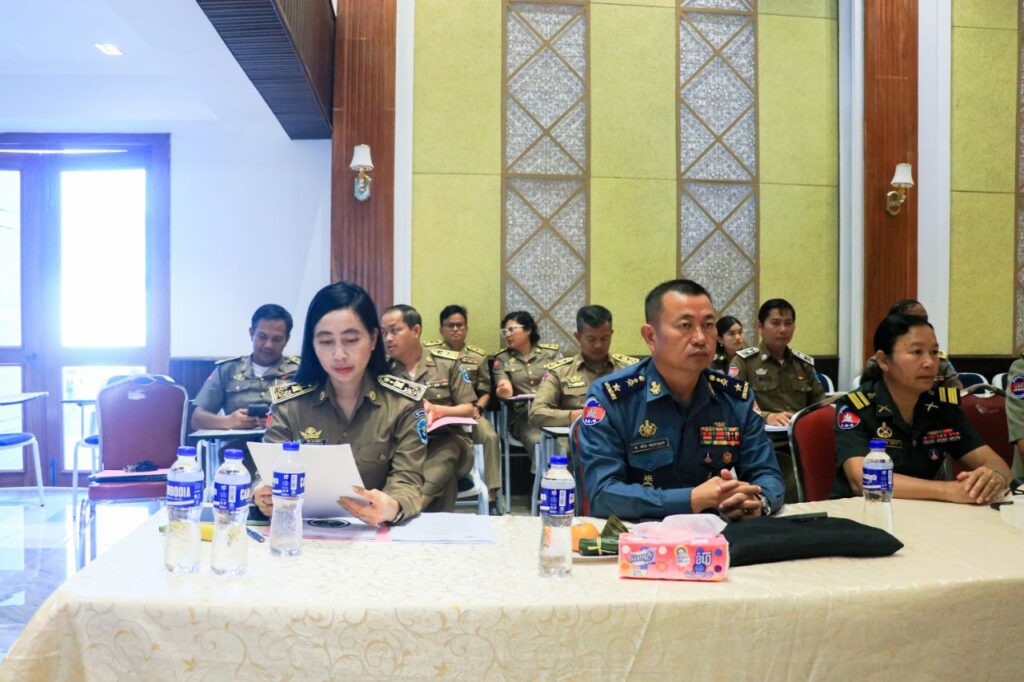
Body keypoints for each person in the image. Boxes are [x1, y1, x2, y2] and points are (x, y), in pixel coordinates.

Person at [579, 279, 785, 520]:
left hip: (719, 531)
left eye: (708, 325)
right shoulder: (612, 398)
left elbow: (767, 474)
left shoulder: (735, 397)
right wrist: (691, 500)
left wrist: (757, 501)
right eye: (685, 326)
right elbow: (603, 494)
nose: (700, 338)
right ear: (650, 336)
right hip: (640, 534)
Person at [253, 282, 426, 525]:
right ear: (312, 345)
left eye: (351, 340)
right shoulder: (290, 404)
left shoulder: (404, 402)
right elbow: (267, 471)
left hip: (376, 531)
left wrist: (393, 505)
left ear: (373, 339)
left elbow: (408, 480)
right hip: (302, 531)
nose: (339, 354)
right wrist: (262, 493)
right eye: (326, 342)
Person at [832, 313, 1010, 503]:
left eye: (934, 352)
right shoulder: (855, 407)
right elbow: (862, 480)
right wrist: (947, 490)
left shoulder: (942, 406)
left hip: (925, 513)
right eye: (917, 352)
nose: (930, 363)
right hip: (865, 512)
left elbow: (995, 462)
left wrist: (992, 479)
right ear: (884, 360)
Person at [381, 304, 475, 513]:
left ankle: (406, 510)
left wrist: (441, 411)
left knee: (448, 449)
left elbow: (470, 409)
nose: (388, 338)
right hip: (403, 448)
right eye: (384, 332)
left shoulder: (447, 363)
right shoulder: (383, 371)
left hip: (447, 442)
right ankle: (424, 523)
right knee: (446, 480)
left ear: (416, 331)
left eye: (394, 331)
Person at [424, 305, 502, 512]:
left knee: (489, 435)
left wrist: (478, 408)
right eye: (450, 325)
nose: (455, 329)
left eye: (460, 325)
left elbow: (485, 390)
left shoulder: (478, 357)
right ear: (441, 329)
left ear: (466, 328)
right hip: (438, 413)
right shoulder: (430, 355)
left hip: (469, 412)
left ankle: (491, 494)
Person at [191, 303, 299, 431]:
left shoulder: (299, 372)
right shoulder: (228, 369)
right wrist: (228, 421)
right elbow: (197, 419)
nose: (268, 345)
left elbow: (313, 417)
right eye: (262, 337)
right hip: (237, 443)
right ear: (251, 334)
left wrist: (278, 422)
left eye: (277, 339)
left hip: (283, 442)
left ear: (286, 340)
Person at [529, 305, 637, 428]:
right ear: (578, 337)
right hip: (576, 436)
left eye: (604, 338)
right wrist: (579, 416)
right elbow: (536, 413)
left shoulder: (630, 369)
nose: (598, 345)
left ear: (611, 334)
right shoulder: (559, 372)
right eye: (591, 339)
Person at [729, 299, 826, 427]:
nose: (783, 329)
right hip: (761, 434)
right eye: (775, 323)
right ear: (760, 326)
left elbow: (819, 404)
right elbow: (733, 403)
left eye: (788, 323)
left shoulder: (803, 364)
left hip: (799, 433)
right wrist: (766, 416)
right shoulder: (743, 362)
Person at [493, 311, 560, 460]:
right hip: (525, 416)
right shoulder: (502, 358)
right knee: (539, 442)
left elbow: (562, 381)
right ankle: (543, 475)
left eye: (511, 329)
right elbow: (503, 382)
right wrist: (503, 389)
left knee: (568, 442)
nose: (507, 335)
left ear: (528, 330)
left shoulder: (550, 354)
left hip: (553, 411)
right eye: (504, 331)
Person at [860, 299, 961, 389]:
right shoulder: (877, 363)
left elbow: (958, 393)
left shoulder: (939, 361)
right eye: (916, 352)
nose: (929, 363)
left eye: (924, 320)